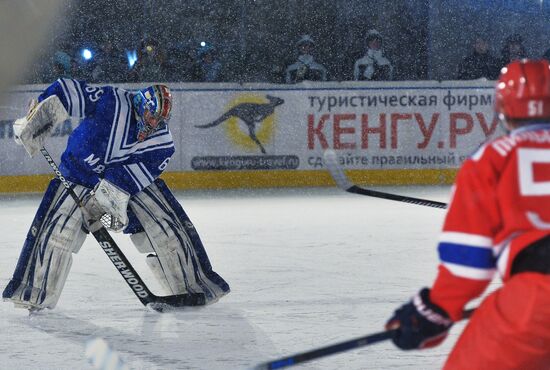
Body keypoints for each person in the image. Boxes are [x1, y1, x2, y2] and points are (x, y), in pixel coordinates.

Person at [2, 79, 230, 311]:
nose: (154, 124)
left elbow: (133, 178)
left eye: (160, 120)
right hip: (76, 174)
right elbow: (67, 92)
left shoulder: (162, 144)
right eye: (151, 117)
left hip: (124, 186)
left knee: (165, 222)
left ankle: (193, 285)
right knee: (56, 230)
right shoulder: (111, 101)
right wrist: (38, 116)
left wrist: (106, 201)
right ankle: (33, 292)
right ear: (141, 105)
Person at [385, 59, 550, 369]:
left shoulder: (490, 159)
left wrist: (430, 314)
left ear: (502, 109)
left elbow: (467, 265)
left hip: (536, 303)